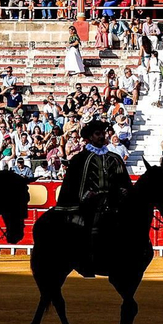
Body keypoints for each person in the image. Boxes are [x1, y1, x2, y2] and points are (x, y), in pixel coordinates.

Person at [53, 118, 131, 275]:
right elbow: (71, 186)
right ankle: (85, 260)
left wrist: (124, 190)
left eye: (103, 133)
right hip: (86, 205)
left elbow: (124, 181)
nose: (101, 136)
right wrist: (85, 195)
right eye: (97, 134)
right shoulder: (79, 159)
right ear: (89, 137)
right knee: (86, 227)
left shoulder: (115, 158)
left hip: (113, 203)